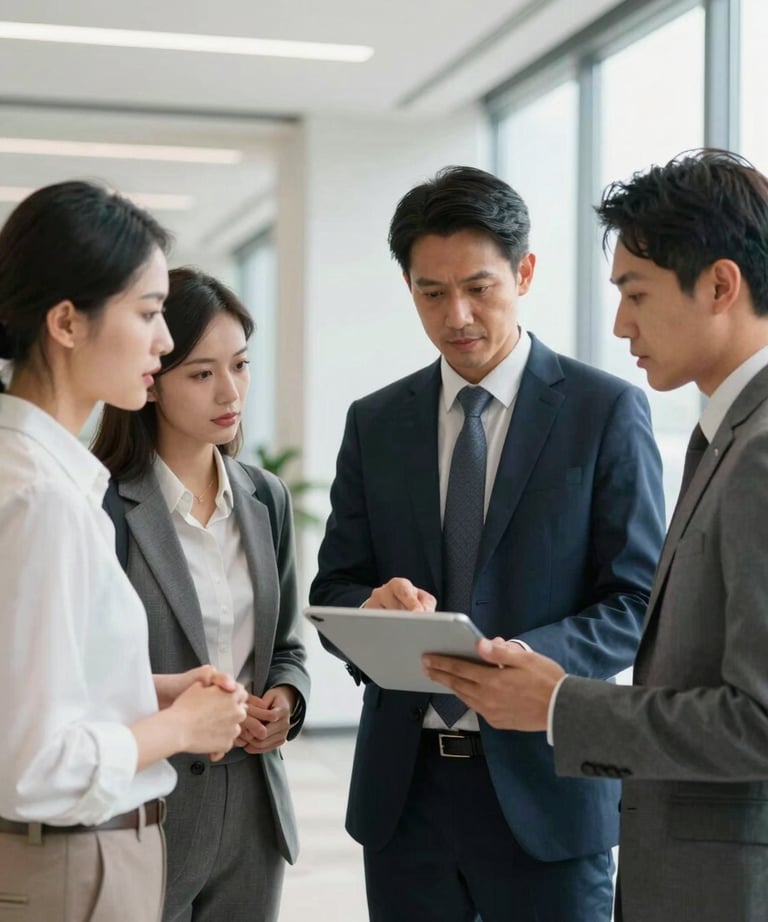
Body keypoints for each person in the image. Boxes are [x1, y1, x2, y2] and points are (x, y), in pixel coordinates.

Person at [309, 165, 666, 922]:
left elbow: (637, 599)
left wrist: (519, 667)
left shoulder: (604, 412)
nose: (457, 315)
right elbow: (333, 588)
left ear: (525, 272)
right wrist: (371, 607)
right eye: (430, 293)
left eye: (479, 287)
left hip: (547, 793)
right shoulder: (376, 423)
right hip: (404, 799)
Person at [423, 149, 768, 922]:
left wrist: (558, 705)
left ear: (720, 284)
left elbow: (760, 720)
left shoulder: (762, 448)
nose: (620, 324)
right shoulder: (728, 436)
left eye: (635, 293)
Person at [0, 182, 248, 922]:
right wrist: (179, 729)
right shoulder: (44, 498)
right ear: (68, 323)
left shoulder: (37, 474)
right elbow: (35, 766)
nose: (165, 342)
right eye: (147, 314)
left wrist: (144, 691)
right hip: (74, 866)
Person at [92, 266, 310, 922]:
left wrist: (287, 702)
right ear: (152, 380)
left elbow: (287, 645)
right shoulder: (102, 505)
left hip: (252, 812)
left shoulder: (264, 497)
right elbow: (85, 676)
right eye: (202, 372)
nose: (230, 391)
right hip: (144, 810)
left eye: (240, 365)